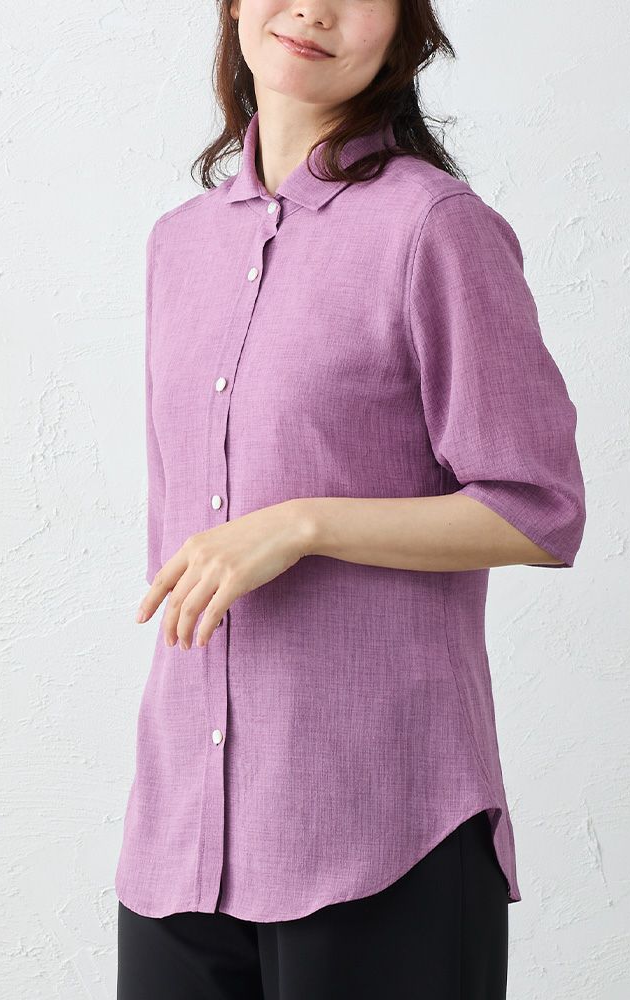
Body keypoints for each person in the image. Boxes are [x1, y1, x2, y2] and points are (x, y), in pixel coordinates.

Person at [114, 1, 587, 997]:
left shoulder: (434, 228)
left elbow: (538, 507)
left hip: (382, 827)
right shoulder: (178, 246)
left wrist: (305, 523)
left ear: (406, 29)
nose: (314, 10)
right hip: (183, 836)